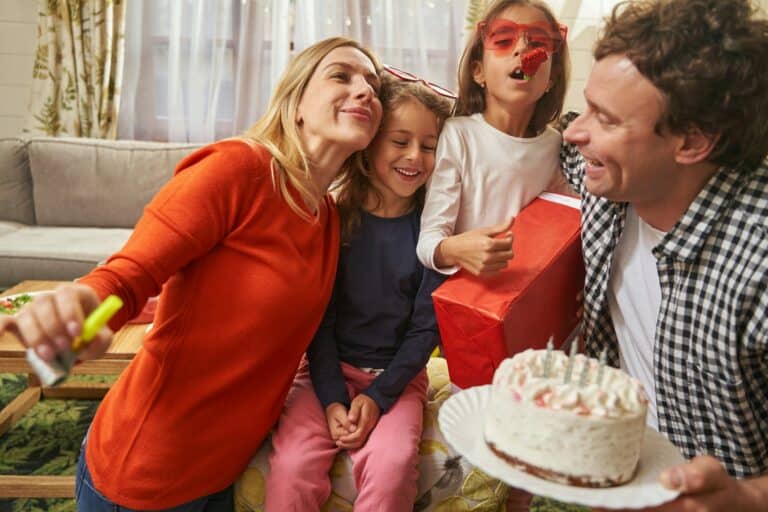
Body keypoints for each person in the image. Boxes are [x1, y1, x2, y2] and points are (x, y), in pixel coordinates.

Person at [0, 37, 383, 510]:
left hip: (223, 475)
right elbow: (125, 277)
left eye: (375, 84)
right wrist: (83, 312)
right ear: (296, 101)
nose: (366, 90)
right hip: (145, 473)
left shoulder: (327, 216)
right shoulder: (237, 169)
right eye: (341, 76)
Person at [560, 0, 768, 510]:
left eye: (604, 119)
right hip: (621, 473)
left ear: (692, 142)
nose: (575, 132)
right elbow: (537, 134)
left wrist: (746, 497)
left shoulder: (758, 258)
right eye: (587, 106)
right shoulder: (609, 179)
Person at [264, 71, 453, 511]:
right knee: (291, 467)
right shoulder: (334, 217)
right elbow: (318, 319)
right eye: (399, 141)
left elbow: (426, 332)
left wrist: (378, 395)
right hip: (323, 373)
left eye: (428, 146)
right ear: (369, 145)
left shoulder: (435, 231)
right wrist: (332, 397)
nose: (415, 156)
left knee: (392, 468)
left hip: (397, 381)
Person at [416, 0, 571, 277]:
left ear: (551, 79)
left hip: (524, 297)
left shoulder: (556, 146)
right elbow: (428, 241)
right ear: (479, 72)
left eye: (537, 42)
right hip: (464, 297)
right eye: (503, 40)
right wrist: (453, 249)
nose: (523, 49)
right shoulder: (458, 135)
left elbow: (565, 230)